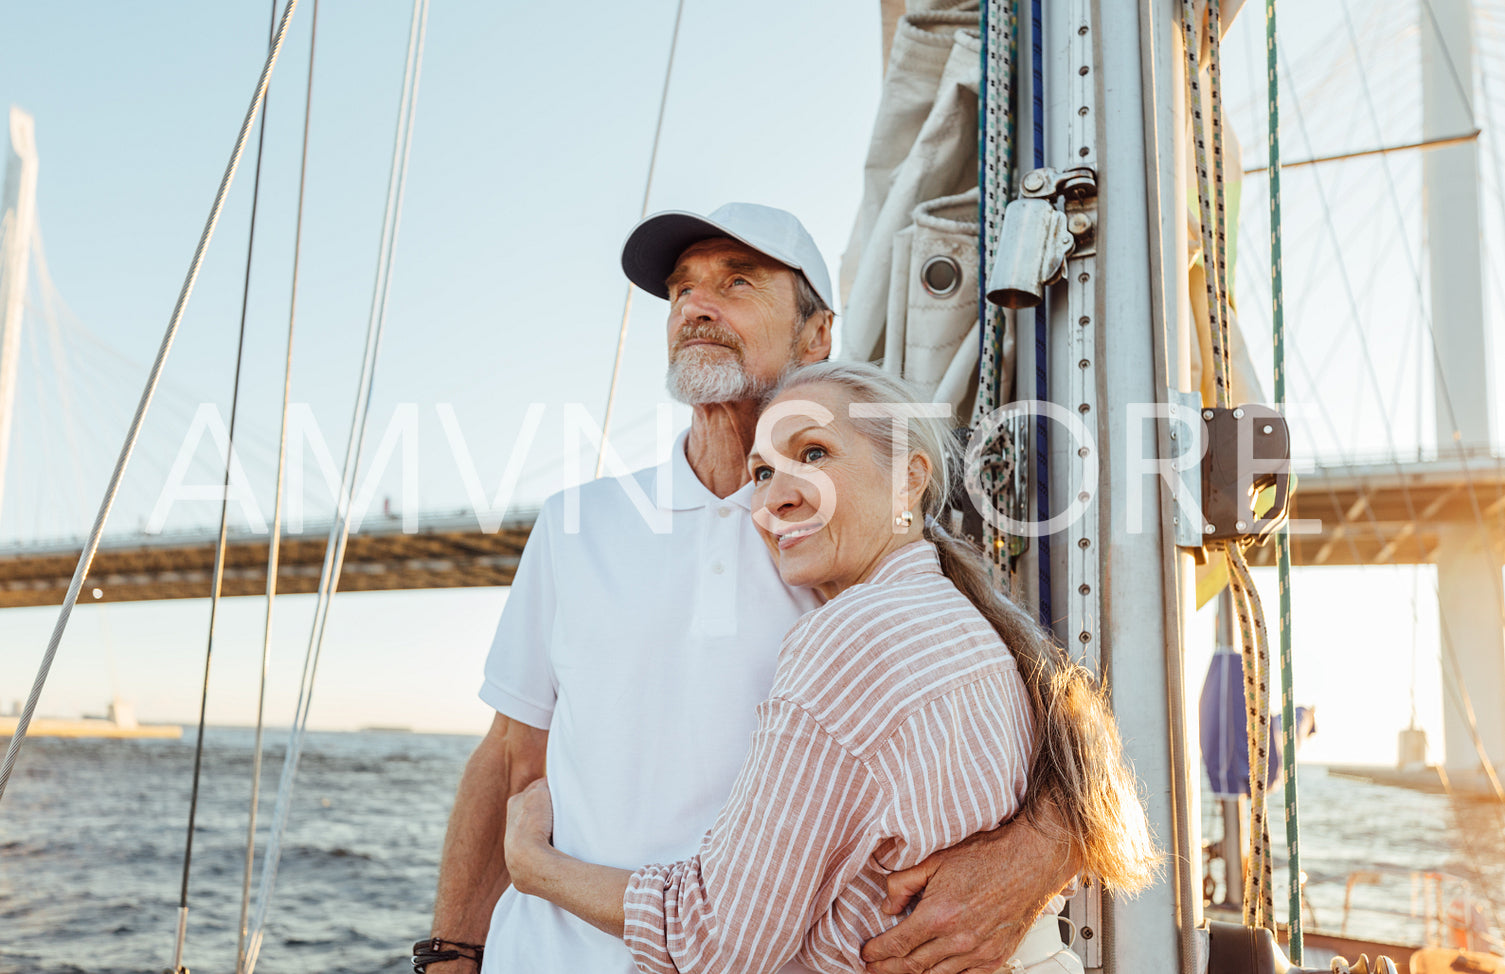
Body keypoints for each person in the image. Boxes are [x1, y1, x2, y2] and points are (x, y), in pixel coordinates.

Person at [424, 204, 1084, 974]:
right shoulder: (577, 522)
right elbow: (510, 752)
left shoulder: (843, 539)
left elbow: (1048, 717)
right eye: (680, 291)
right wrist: (450, 951)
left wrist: (1038, 853)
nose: (697, 306)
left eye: (737, 281)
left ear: (817, 335)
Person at [501, 361, 1159, 973]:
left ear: (908, 476)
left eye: (812, 454)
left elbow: (717, 941)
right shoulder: (961, 618)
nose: (773, 500)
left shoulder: (851, 636)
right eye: (760, 473)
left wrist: (534, 867)